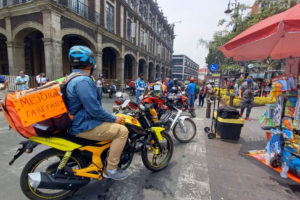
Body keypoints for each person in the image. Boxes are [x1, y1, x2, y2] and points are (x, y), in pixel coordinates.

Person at [67, 45, 129, 180]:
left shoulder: (71, 77)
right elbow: (94, 109)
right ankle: (111, 170)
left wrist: (110, 117)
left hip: (80, 121)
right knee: (122, 131)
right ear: (90, 62)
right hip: (84, 125)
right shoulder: (83, 80)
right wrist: (114, 119)